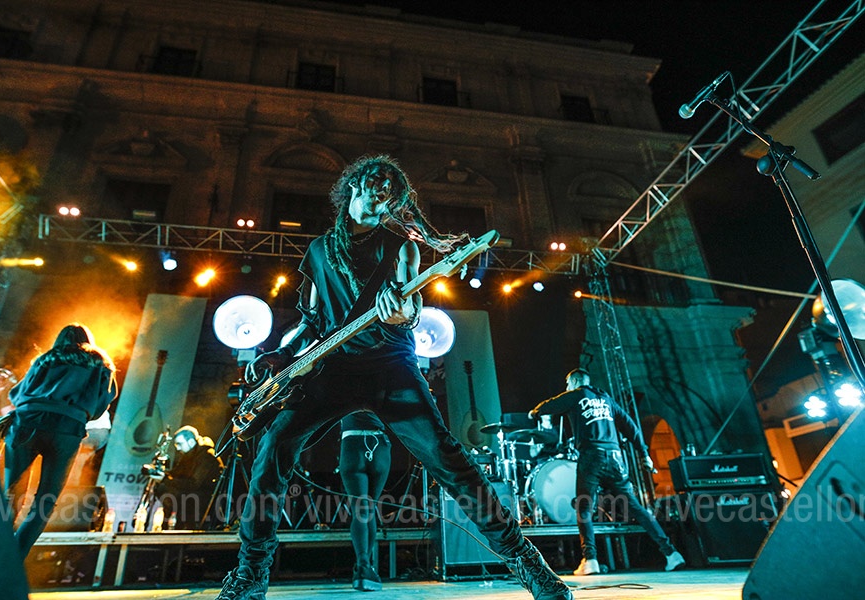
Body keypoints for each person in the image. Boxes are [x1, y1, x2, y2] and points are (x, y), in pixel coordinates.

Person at [215, 155, 572, 600]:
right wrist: (281, 354)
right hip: (335, 368)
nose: (381, 194)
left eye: (390, 192)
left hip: (391, 365)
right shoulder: (319, 251)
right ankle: (251, 574)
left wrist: (400, 312)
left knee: (448, 458)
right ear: (354, 184)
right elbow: (311, 320)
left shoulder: (402, 247)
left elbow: (411, 310)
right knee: (273, 446)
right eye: (376, 184)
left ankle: (528, 563)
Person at [530, 368, 685, 575]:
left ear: (574, 382)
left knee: (584, 508)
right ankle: (671, 554)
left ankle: (590, 560)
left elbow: (546, 406)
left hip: (592, 457)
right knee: (636, 507)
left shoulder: (575, 395)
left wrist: (535, 412)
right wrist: (643, 454)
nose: (566, 387)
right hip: (615, 458)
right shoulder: (606, 399)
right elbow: (631, 426)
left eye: (567, 384)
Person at [4, 323, 118, 560]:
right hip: (67, 428)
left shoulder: (45, 358)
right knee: (45, 502)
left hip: (27, 422)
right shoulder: (100, 362)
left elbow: (16, 394)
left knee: (11, 494)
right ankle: (13, 560)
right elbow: (101, 404)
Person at [338, 410, 391, 591]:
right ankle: (366, 568)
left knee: (360, 510)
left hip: (351, 443)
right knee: (369, 509)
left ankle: (363, 565)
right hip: (378, 444)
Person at [150, 425, 223, 529]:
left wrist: (165, 479)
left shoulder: (206, 456)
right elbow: (177, 474)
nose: (177, 448)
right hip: (190, 505)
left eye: (180, 444)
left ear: (191, 442)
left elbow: (194, 484)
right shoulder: (189, 457)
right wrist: (162, 474)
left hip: (201, 508)